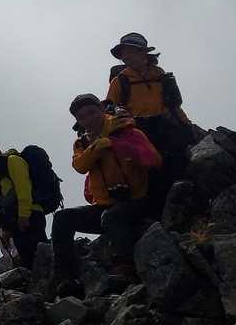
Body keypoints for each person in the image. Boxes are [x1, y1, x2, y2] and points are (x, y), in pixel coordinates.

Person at [52, 93, 163, 286]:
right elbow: (80, 166)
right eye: (82, 117)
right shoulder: (82, 144)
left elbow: (153, 159)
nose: (88, 119)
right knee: (62, 218)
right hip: (105, 205)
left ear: (102, 110)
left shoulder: (125, 129)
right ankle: (66, 277)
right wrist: (99, 145)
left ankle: (126, 268)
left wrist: (116, 145)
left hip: (137, 200)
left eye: (92, 112)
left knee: (112, 217)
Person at [104, 33, 194, 213]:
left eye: (130, 51)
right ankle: (157, 211)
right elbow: (109, 110)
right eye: (123, 53)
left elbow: (173, 105)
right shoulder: (120, 80)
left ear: (143, 53)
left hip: (165, 127)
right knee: (150, 171)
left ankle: (177, 207)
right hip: (138, 130)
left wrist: (187, 125)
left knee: (174, 165)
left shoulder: (160, 75)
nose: (126, 56)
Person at [0, 137, 50, 269]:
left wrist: (24, 215)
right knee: (29, 261)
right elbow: (6, 201)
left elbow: (23, 187)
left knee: (41, 257)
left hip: (30, 215)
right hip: (18, 220)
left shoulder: (12, 160)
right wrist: (7, 229)